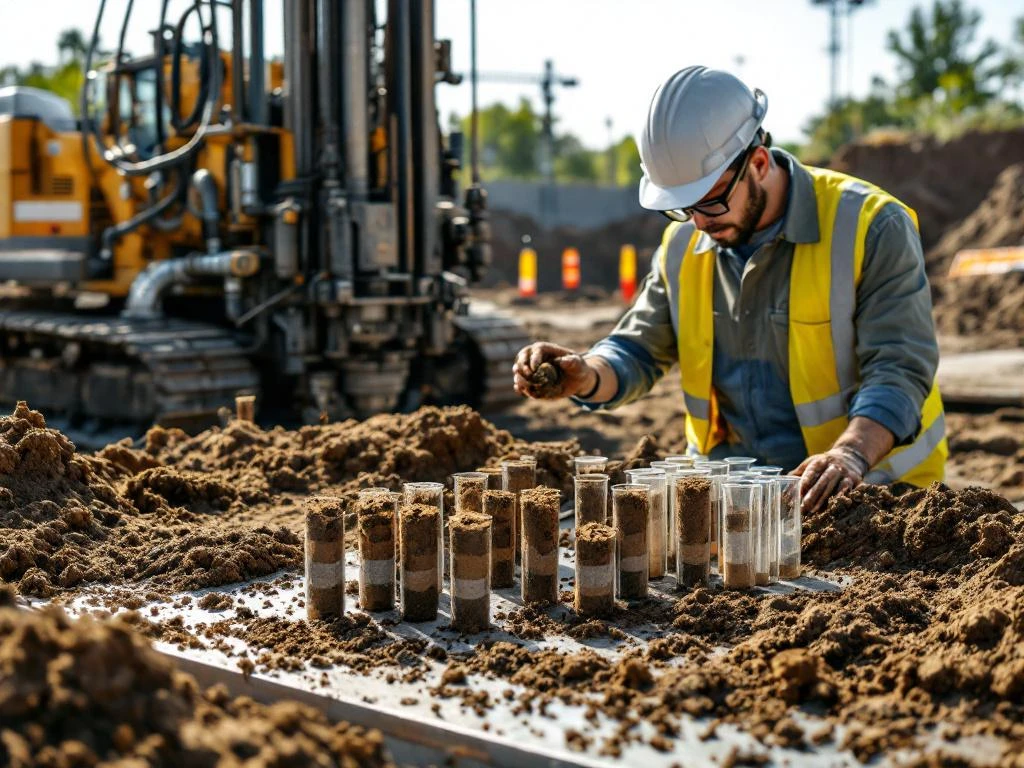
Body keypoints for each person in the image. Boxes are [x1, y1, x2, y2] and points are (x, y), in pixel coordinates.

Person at [513, 65, 946, 513]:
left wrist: (850, 454)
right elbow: (640, 348)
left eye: (712, 200)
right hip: (737, 496)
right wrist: (586, 373)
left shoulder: (870, 225)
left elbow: (899, 366)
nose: (700, 221)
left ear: (758, 163)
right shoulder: (685, 243)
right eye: (684, 208)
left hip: (863, 497)